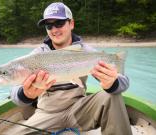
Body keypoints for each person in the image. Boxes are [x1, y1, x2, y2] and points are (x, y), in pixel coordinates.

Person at [8, 2, 132, 135]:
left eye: (59, 23)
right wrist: (26, 94)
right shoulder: (37, 56)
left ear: (71, 24)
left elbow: (123, 83)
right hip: (47, 114)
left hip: (79, 111)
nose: (54, 29)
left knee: (112, 95)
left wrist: (112, 83)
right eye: (49, 25)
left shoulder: (86, 52)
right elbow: (15, 96)